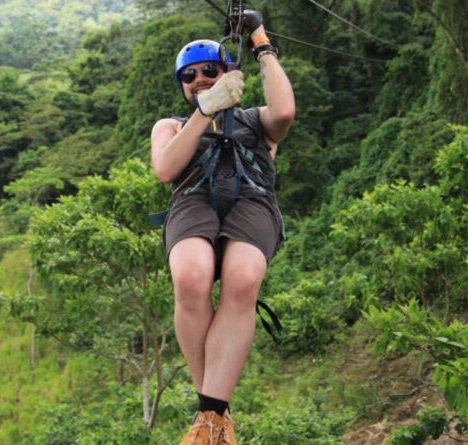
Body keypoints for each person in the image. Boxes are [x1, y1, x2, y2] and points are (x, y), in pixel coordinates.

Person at [149, 10, 295, 445]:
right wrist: (205, 111)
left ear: (227, 72)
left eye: (209, 72)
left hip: (252, 199)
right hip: (193, 201)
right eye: (189, 76)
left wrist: (260, 41)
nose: (199, 79)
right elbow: (166, 168)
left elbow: (285, 111)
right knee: (191, 276)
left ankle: (210, 415)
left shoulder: (256, 120)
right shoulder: (171, 126)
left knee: (243, 279)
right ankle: (213, 412)